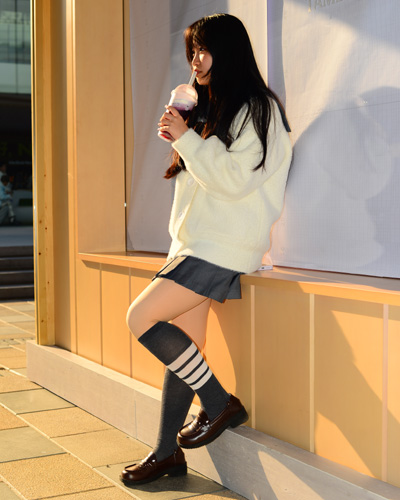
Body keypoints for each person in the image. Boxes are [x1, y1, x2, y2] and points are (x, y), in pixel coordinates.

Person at [121, 13, 292, 486]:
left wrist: (187, 140)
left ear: (228, 51)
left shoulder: (259, 110)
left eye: (203, 49)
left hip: (222, 245)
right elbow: (201, 185)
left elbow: (236, 181)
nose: (195, 60)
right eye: (191, 51)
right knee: (185, 347)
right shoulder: (212, 109)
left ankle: (219, 402)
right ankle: (166, 453)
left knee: (140, 317)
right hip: (196, 245)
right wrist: (186, 134)